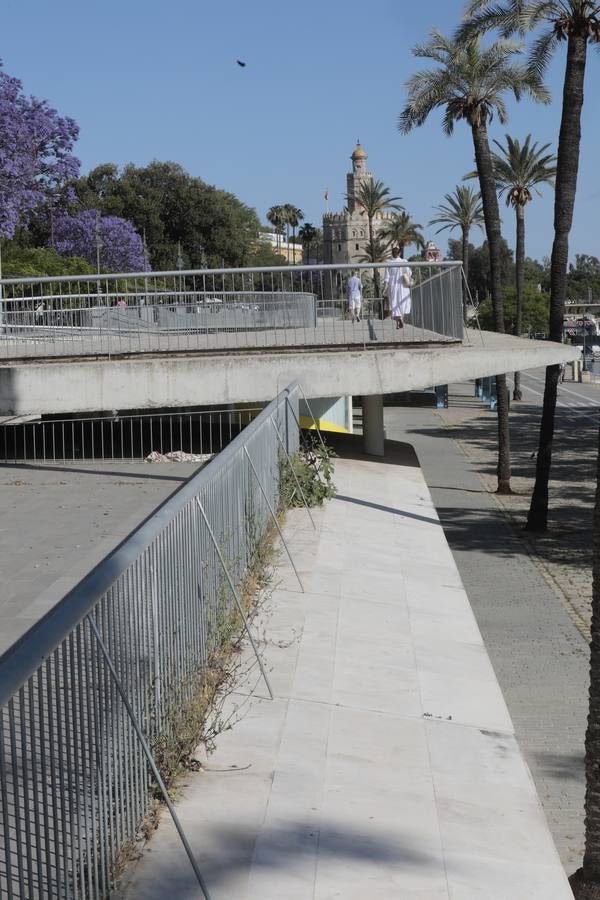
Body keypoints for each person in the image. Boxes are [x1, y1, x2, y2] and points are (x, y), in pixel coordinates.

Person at [383, 246, 412, 329]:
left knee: (394, 304)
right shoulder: (404, 261)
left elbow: (386, 278)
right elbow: (409, 273)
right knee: (402, 303)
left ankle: (398, 321)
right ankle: (401, 319)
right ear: (399, 253)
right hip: (403, 286)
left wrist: (385, 288)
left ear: (392, 253)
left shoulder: (389, 263)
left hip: (393, 286)